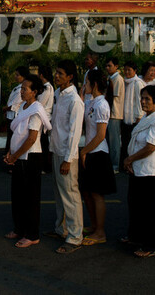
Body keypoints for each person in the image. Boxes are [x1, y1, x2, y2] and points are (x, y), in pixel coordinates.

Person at [3, 75, 51, 248]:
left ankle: (32, 234)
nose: (21, 91)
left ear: (35, 92)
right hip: (18, 156)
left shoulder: (37, 110)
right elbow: (17, 133)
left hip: (31, 157)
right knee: (17, 195)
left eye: (25, 89)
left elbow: (31, 138)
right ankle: (19, 228)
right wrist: (10, 152)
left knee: (30, 197)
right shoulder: (23, 106)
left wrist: (15, 156)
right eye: (21, 88)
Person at [124, 85, 155, 258]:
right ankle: (136, 237)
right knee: (137, 206)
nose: (143, 102)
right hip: (138, 169)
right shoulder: (146, 118)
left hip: (151, 170)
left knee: (150, 210)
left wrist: (130, 159)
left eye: (147, 99)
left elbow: (151, 147)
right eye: (142, 98)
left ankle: (150, 245)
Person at [48, 60, 85, 254]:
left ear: (70, 77)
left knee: (70, 195)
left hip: (66, 155)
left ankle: (75, 236)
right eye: (56, 72)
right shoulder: (57, 94)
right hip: (56, 150)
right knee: (59, 193)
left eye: (61, 73)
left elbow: (74, 133)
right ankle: (61, 228)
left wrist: (68, 159)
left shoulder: (75, 101)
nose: (57, 76)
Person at [79, 69, 116, 246]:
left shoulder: (102, 105)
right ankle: (94, 225)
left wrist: (84, 151)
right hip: (90, 152)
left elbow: (101, 135)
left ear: (94, 85)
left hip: (98, 153)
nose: (84, 85)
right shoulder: (91, 102)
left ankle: (100, 232)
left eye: (86, 83)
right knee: (86, 192)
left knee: (96, 194)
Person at [121, 60, 145, 168]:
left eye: (129, 70)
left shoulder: (137, 83)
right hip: (125, 117)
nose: (127, 72)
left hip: (134, 119)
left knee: (133, 143)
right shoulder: (125, 82)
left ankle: (132, 164)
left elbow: (139, 101)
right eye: (125, 70)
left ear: (135, 71)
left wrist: (139, 116)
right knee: (125, 142)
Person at [104, 57, 124, 173]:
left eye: (110, 66)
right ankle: (110, 163)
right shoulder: (110, 78)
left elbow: (112, 96)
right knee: (108, 140)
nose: (108, 68)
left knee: (114, 141)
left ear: (116, 67)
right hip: (109, 113)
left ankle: (115, 165)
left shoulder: (117, 79)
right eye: (106, 66)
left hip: (115, 113)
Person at [4, 67, 29, 156]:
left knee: (13, 139)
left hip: (14, 116)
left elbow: (14, 105)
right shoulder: (17, 87)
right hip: (10, 115)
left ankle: (11, 157)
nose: (15, 77)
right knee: (9, 138)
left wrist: (5, 109)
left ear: (24, 76)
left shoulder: (21, 90)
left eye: (17, 75)